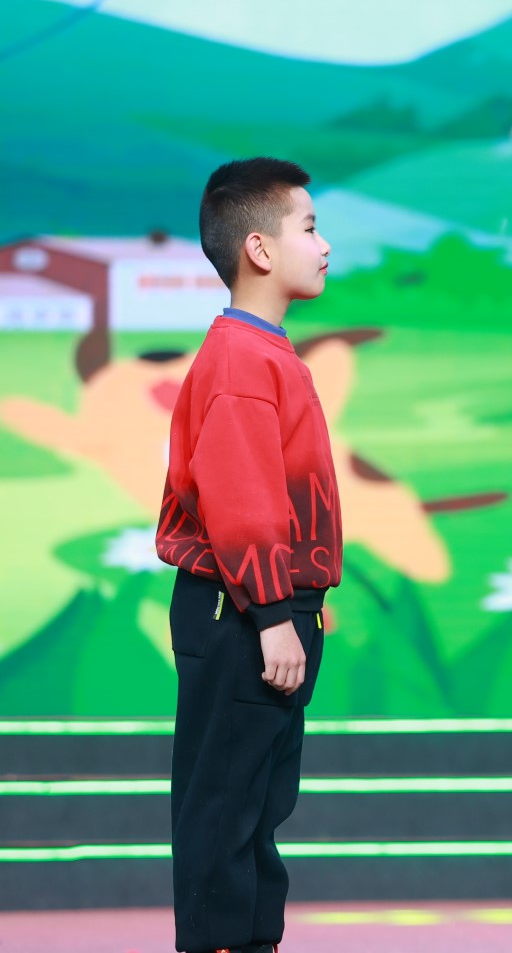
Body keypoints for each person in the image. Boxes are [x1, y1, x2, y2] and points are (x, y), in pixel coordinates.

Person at [155, 157, 339, 953]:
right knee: (225, 808)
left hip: (266, 609)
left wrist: (295, 606)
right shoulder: (239, 358)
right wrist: (271, 613)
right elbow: (241, 496)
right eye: (310, 227)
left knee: (258, 807)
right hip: (242, 613)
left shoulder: (264, 350)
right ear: (259, 249)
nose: (324, 245)